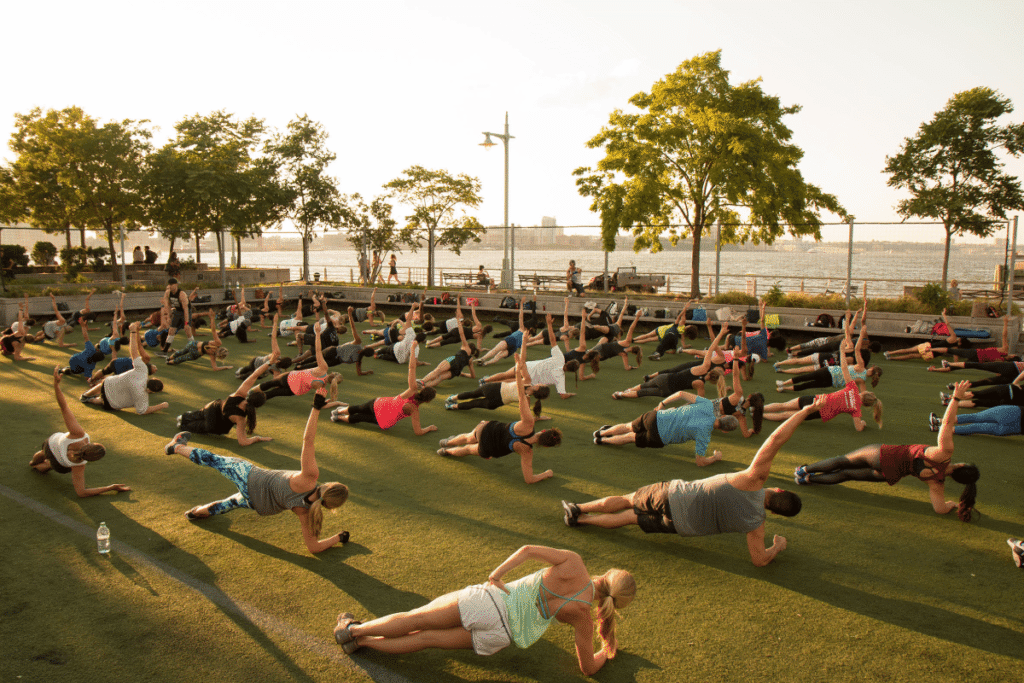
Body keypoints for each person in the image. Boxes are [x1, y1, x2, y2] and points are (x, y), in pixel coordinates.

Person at [333, 545, 635, 677]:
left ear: (608, 574)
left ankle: (351, 630)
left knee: (418, 618)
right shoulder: (583, 616)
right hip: (501, 636)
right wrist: (607, 651)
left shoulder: (575, 563)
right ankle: (360, 643)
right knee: (426, 638)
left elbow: (528, 550)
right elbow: (587, 668)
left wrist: (497, 573)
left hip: (491, 603)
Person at [564, 407, 811, 566]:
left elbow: (776, 439)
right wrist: (776, 546)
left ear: (779, 490)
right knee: (630, 518)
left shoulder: (752, 480)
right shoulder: (757, 524)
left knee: (629, 500)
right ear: (776, 512)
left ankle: (579, 508)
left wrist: (807, 410)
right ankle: (582, 520)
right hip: (680, 526)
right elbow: (759, 559)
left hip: (673, 495)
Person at [164, 391, 350, 554]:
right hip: (260, 505)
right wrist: (338, 538)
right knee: (229, 503)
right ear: (331, 506)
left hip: (251, 479)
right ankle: (195, 513)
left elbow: (308, 440)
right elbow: (313, 547)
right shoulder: (307, 513)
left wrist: (316, 408)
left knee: (215, 460)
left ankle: (176, 447)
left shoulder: (309, 478)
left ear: (329, 485)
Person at [795, 381, 979, 522]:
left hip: (882, 454)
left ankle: (804, 470)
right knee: (847, 474)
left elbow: (946, 424)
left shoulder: (944, 453)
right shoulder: (937, 483)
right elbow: (940, 508)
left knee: (843, 461)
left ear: (962, 465)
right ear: (957, 479)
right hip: (888, 474)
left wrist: (955, 398)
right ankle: (808, 479)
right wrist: (952, 504)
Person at [438, 351, 560, 483]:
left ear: (543, 431)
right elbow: (529, 479)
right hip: (489, 449)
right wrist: (547, 473)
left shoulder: (528, 423)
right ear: (545, 445)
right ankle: (446, 451)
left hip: (487, 429)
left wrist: (518, 371)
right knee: (467, 449)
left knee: (468, 437)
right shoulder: (527, 452)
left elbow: (520, 394)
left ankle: (447, 442)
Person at [28, 366, 130, 497]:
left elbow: (63, 406)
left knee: (43, 453)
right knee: (51, 464)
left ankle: (33, 462)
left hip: (50, 445)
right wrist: (110, 487)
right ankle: (44, 466)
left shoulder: (78, 435)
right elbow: (81, 492)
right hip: (60, 465)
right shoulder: (79, 465)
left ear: (91, 444)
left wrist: (56, 384)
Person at [593, 385, 739, 467]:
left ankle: (601, 433)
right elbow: (700, 462)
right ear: (724, 431)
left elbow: (680, 393)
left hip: (656, 417)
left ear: (723, 416)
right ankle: (601, 441)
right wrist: (715, 457)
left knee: (628, 426)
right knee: (631, 437)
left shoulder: (707, 404)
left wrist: (662, 404)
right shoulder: (704, 435)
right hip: (658, 437)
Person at [329, 340, 437, 435]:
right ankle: (338, 417)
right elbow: (418, 432)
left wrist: (413, 349)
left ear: (422, 390)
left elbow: (412, 367)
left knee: (359, 408)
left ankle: (339, 412)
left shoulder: (412, 390)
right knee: (360, 417)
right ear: (427, 401)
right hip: (383, 420)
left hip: (379, 404)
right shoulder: (414, 410)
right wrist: (429, 428)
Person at [763, 347, 883, 432]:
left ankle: (760, 409)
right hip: (819, 412)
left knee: (783, 405)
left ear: (865, 393)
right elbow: (858, 428)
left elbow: (845, 369)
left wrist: (842, 350)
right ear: (866, 405)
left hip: (816, 399)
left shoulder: (852, 388)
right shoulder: (856, 409)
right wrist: (863, 423)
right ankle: (760, 415)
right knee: (785, 415)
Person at [479, 314, 578, 399]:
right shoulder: (561, 377)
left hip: (526, 366)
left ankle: (485, 380)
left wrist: (549, 324)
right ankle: (487, 385)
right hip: (529, 379)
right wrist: (570, 394)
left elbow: (552, 340)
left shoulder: (560, 358)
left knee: (505, 374)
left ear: (568, 362)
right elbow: (563, 395)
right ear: (571, 371)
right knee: (508, 381)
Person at [175, 361, 274, 446]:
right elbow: (243, 442)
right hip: (215, 424)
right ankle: (183, 425)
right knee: (206, 426)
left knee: (202, 414)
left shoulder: (239, 394)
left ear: (250, 395)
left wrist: (269, 362)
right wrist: (258, 438)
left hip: (212, 407)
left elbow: (255, 375)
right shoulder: (241, 419)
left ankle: (184, 417)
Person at [79, 322, 168, 414]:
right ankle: (91, 400)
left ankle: (86, 395)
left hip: (108, 383)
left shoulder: (143, 371)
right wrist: (162, 405)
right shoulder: (142, 396)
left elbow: (134, 352)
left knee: (105, 384)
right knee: (103, 400)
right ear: (152, 391)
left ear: (153, 378)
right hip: (111, 403)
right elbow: (143, 411)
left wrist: (133, 332)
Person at [419, 317, 478, 388]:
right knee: (440, 378)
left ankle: (422, 381)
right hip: (457, 371)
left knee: (437, 371)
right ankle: (424, 386)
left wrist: (459, 325)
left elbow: (462, 334)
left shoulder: (466, 347)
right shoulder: (470, 359)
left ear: (469, 346)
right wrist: (464, 374)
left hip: (454, 360)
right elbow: (473, 376)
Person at [162, 278, 191, 353]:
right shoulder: (168, 293)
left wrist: (186, 323)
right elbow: (167, 305)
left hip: (185, 312)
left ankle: (193, 347)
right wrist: (168, 316)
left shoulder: (182, 294)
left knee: (187, 330)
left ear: (176, 285)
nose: (170, 286)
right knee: (171, 330)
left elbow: (186, 309)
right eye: (169, 285)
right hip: (177, 311)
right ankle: (165, 351)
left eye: (172, 285)